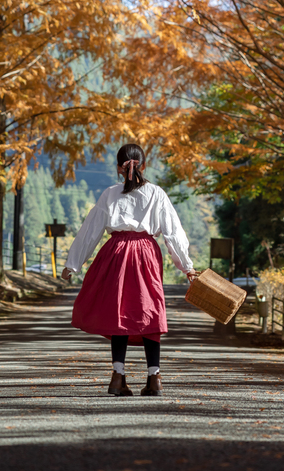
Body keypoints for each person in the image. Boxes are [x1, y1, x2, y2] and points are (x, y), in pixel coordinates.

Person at [62, 143, 197, 397]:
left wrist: (73, 264)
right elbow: (172, 232)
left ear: (118, 169)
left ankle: (117, 375)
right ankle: (154, 377)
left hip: (115, 253)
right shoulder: (156, 193)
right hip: (146, 252)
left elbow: (91, 230)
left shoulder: (110, 194)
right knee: (150, 309)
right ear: (144, 166)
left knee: (118, 311)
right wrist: (187, 266)